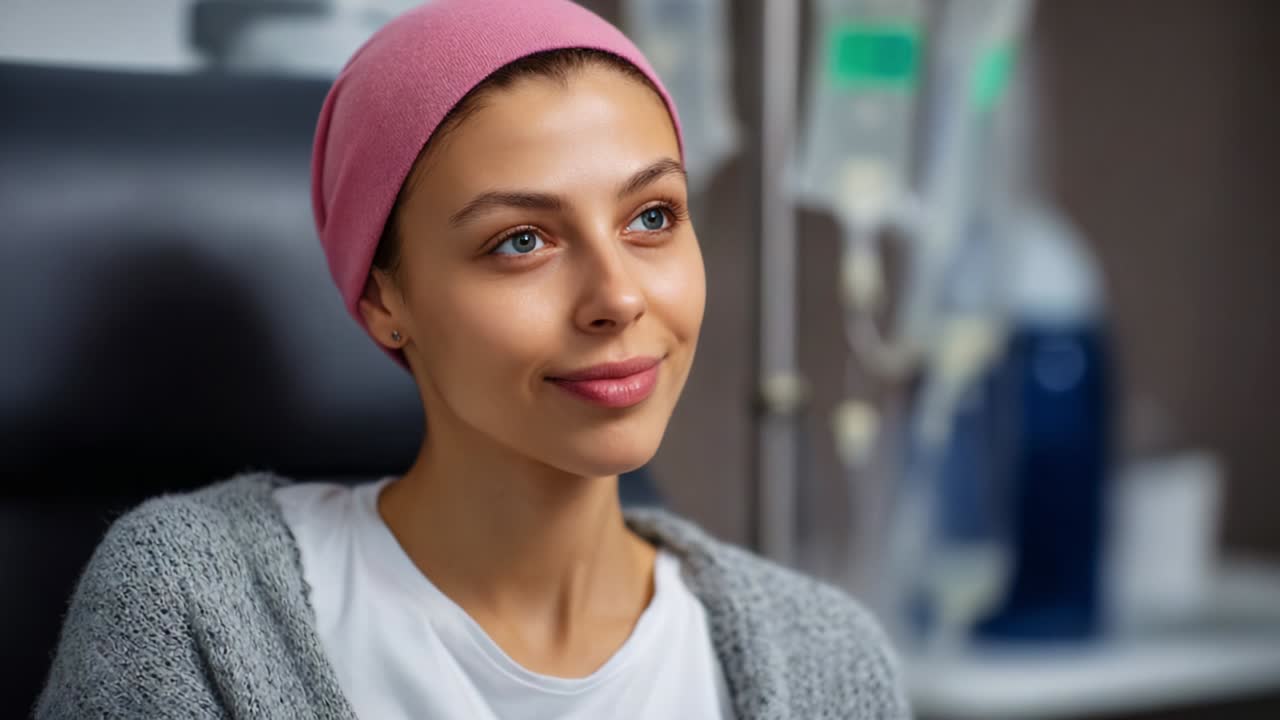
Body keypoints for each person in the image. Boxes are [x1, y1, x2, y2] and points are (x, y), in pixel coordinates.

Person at [36, 1, 908, 718]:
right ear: (386, 301)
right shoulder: (191, 605)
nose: (619, 296)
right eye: (521, 240)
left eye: (652, 217)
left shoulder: (825, 661)